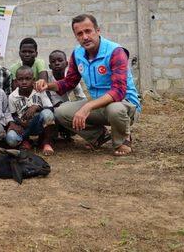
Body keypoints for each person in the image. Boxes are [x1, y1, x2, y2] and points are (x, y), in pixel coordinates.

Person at [35, 14, 141, 156]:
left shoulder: (116, 52)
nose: (85, 37)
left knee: (115, 109)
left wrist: (88, 106)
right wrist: (47, 86)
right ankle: (98, 136)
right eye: (79, 33)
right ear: (76, 36)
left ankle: (122, 141)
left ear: (98, 31)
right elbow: (69, 82)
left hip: (125, 104)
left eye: (88, 31)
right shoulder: (77, 54)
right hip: (99, 104)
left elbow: (118, 91)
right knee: (61, 112)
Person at [8, 66, 55, 156]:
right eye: (20, 79)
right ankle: (26, 141)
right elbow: (12, 115)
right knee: (11, 139)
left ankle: (46, 142)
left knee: (48, 114)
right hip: (24, 127)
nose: (24, 82)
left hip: (38, 123)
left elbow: (50, 108)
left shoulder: (39, 91)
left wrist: (37, 106)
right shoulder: (12, 96)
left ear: (33, 80)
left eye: (28, 79)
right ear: (16, 81)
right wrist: (20, 122)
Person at [47, 50, 87, 141]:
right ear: (50, 66)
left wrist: (79, 110)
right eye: (53, 62)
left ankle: (67, 133)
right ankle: (54, 134)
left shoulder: (72, 79)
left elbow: (81, 97)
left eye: (60, 60)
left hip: (66, 109)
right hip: (51, 108)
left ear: (66, 63)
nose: (57, 63)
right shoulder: (47, 79)